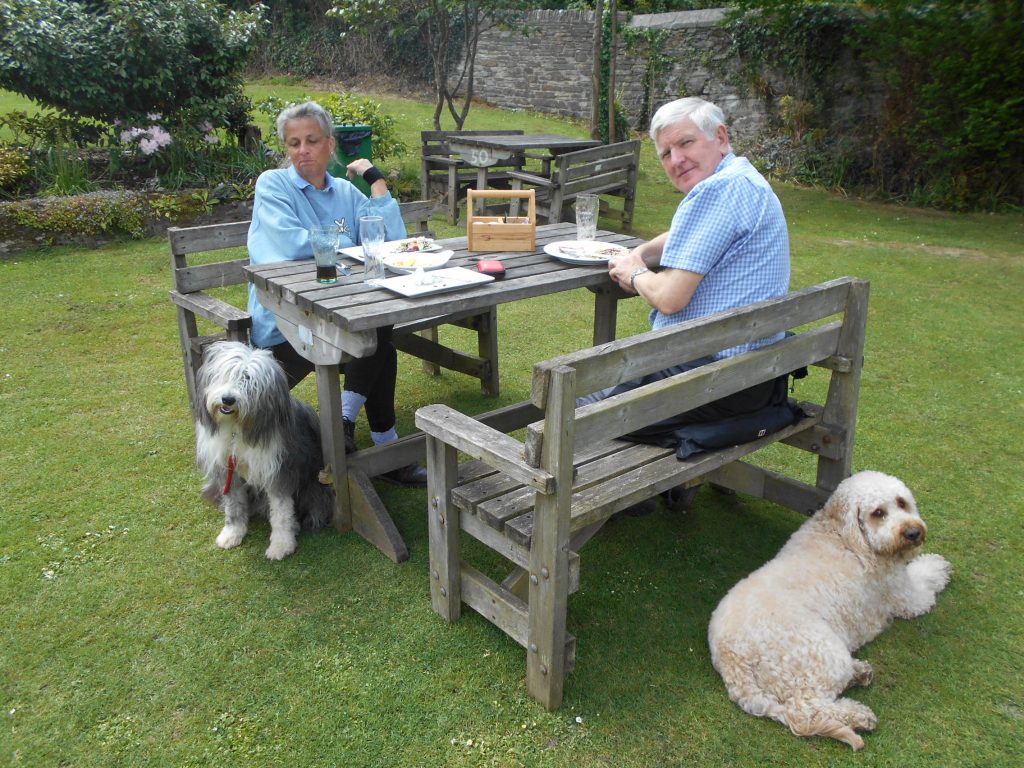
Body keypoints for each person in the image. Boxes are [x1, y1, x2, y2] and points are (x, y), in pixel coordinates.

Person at [588, 97, 795, 511]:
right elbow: (685, 233)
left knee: (578, 409)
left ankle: (619, 496)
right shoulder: (742, 180)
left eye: (685, 143)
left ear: (720, 137)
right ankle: (656, 486)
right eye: (666, 153)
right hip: (755, 376)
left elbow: (669, 299)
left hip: (711, 383)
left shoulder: (719, 191)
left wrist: (633, 273)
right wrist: (641, 253)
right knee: (605, 386)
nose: (676, 159)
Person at [246, 101, 427, 487]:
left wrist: (376, 180)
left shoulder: (344, 191)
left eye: (312, 140)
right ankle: (381, 447)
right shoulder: (273, 185)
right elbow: (292, 244)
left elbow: (391, 242)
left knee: (377, 332)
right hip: (287, 320)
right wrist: (347, 240)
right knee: (377, 337)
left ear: (330, 145)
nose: (302, 150)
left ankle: (349, 426)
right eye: (293, 143)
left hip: (341, 309)